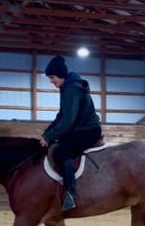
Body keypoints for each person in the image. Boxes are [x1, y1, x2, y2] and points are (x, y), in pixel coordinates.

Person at [39, 55, 102, 211]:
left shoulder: (72, 89)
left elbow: (68, 120)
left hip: (87, 131)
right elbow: (62, 115)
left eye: (52, 77)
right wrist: (47, 134)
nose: (51, 81)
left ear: (60, 75)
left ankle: (70, 193)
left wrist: (50, 136)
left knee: (61, 151)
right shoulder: (66, 87)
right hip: (79, 128)